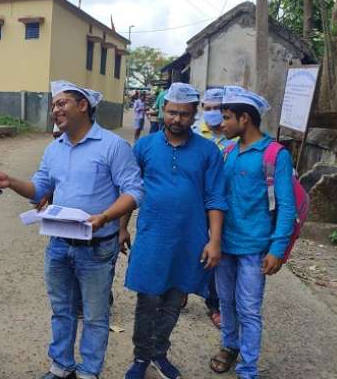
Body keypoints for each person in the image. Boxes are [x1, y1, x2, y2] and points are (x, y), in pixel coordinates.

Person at [0, 80, 143, 379]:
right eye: (53, 104)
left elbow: (134, 192)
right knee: (62, 311)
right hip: (59, 243)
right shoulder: (54, 149)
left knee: (96, 317)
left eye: (62, 103)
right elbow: (39, 190)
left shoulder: (113, 146)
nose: (55, 110)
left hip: (96, 247)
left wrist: (105, 216)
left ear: (83, 106)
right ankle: (61, 367)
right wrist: (11, 182)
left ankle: (88, 372)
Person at [121, 82, 227, 379]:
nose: (176, 119)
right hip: (152, 236)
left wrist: (214, 241)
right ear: (162, 111)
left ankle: (159, 354)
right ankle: (141, 357)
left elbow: (216, 198)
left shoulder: (208, 151)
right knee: (147, 300)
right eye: (171, 112)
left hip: (190, 240)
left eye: (183, 114)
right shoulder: (144, 146)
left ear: (195, 115)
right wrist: (122, 228)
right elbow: (130, 190)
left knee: (172, 301)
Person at [209, 86, 296, 379]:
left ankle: (248, 369)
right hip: (225, 244)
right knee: (226, 301)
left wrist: (277, 249)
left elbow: (286, 206)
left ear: (244, 119)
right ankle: (229, 346)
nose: (222, 124)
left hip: (254, 248)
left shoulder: (275, 154)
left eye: (227, 118)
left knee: (249, 308)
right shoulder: (230, 150)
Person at [194, 86, 234, 328]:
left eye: (217, 108)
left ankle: (214, 302)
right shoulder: (197, 133)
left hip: (225, 204)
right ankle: (184, 288)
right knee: (193, 247)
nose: (212, 113)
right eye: (207, 108)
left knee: (215, 250)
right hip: (198, 202)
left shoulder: (237, 136)